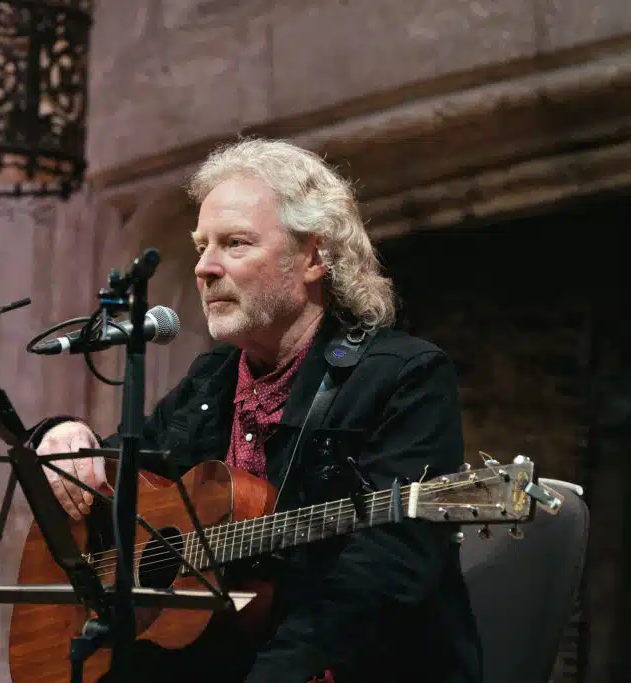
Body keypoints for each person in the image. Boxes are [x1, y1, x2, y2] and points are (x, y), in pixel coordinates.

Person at [30, 138, 482, 683]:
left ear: (314, 257)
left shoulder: (404, 376)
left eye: (235, 244)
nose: (204, 268)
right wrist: (63, 436)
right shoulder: (214, 377)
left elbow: (385, 574)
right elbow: (129, 485)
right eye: (201, 247)